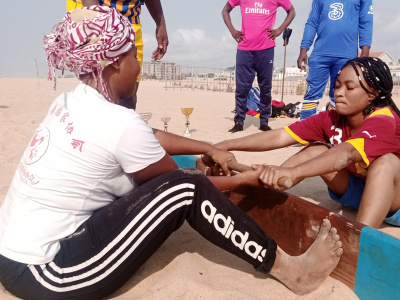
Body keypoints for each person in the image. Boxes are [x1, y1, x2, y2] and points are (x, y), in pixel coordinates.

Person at [0, 7, 343, 299]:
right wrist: (248, 177)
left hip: (12, 252)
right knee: (186, 188)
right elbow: (184, 189)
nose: (139, 69)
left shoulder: (70, 101)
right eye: (134, 57)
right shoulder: (118, 124)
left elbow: (147, 135)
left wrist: (209, 147)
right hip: (48, 272)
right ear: (113, 63)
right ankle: (290, 270)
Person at [210, 57, 400, 229]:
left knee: (386, 162)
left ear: (373, 94)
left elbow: (348, 152)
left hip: (395, 201)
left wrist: (294, 172)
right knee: (317, 149)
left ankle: (358, 239)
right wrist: (226, 145)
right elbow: (280, 136)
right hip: (360, 193)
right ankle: (264, 189)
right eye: (337, 85)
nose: (339, 93)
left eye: (349, 88)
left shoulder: (385, 121)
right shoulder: (331, 118)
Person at [67, 0, 168, 110]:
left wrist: (160, 23)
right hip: (91, 13)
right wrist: (100, 25)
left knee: (126, 97)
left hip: (129, 17)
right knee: (96, 92)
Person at [222, 0, 295, 133]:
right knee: (242, 88)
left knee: (265, 87)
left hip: (266, 49)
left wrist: (279, 30)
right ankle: (239, 122)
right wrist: (233, 31)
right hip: (245, 49)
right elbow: (225, 10)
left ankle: (264, 122)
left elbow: (292, 11)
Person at [297, 0, 373, 120]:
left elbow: (366, 22)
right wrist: (304, 48)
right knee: (311, 94)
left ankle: (335, 130)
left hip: (346, 56)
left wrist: (365, 51)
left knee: (339, 95)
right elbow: (312, 22)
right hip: (320, 54)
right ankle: (305, 130)